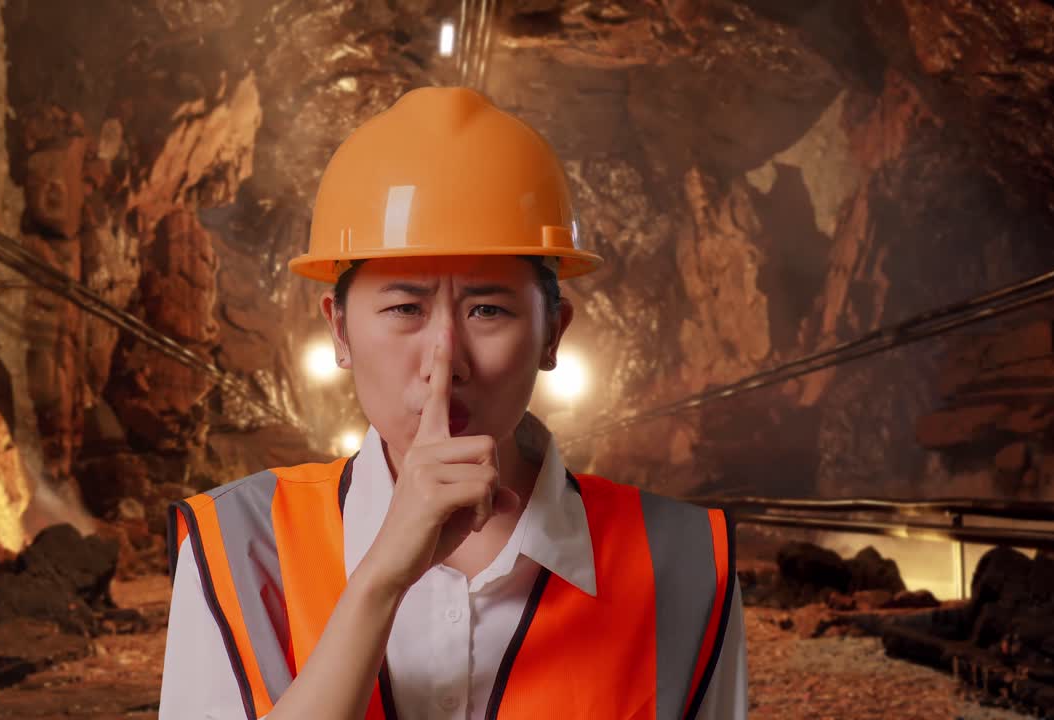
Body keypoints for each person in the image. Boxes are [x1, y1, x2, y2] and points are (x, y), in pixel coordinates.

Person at [159, 86, 746, 720]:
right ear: (339, 331)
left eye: (487, 310)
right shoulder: (241, 546)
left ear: (552, 333)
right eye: (405, 309)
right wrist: (381, 580)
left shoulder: (685, 560)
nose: (446, 360)